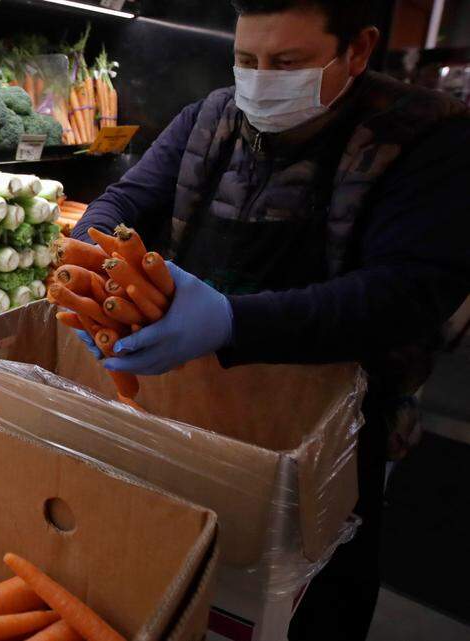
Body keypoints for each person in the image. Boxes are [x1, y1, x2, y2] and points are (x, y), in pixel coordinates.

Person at [70, 0, 470, 639]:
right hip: (197, 400)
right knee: (188, 586)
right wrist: (88, 261)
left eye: (287, 63)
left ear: (359, 51)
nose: (260, 79)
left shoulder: (429, 138)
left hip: (335, 426)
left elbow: (405, 294)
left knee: (309, 600)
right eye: (246, 60)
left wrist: (233, 321)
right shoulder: (210, 118)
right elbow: (125, 199)